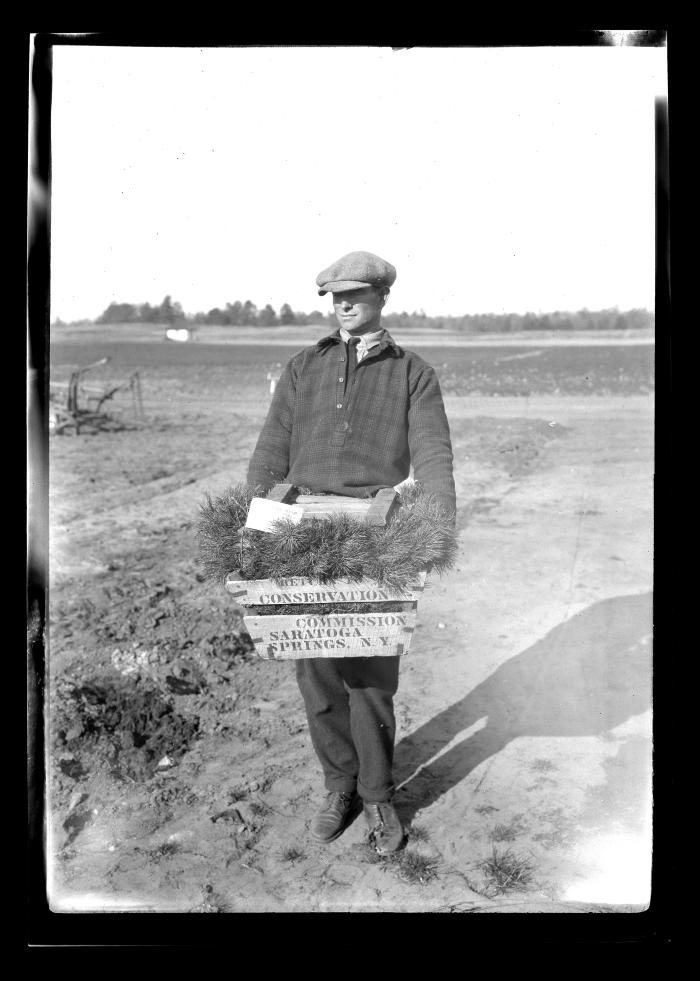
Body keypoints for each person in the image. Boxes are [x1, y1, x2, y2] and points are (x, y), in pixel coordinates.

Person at [247, 250, 456, 853]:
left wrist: (434, 525)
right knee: (314, 672)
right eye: (335, 297)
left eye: (355, 296)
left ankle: (379, 798)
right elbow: (271, 449)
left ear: (382, 300)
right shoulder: (302, 367)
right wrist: (253, 521)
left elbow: (434, 455)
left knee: (369, 677)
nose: (343, 306)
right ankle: (338, 785)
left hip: (372, 529)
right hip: (300, 531)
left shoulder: (412, 372)